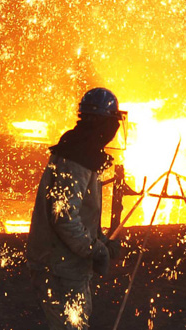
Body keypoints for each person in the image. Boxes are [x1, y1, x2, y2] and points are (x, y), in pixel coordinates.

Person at [27, 87, 125, 329]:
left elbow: (78, 212)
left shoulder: (80, 150)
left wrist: (100, 238)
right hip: (60, 267)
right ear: (104, 124)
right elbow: (64, 217)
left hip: (64, 264)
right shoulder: (77, 158)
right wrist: (96, 251)